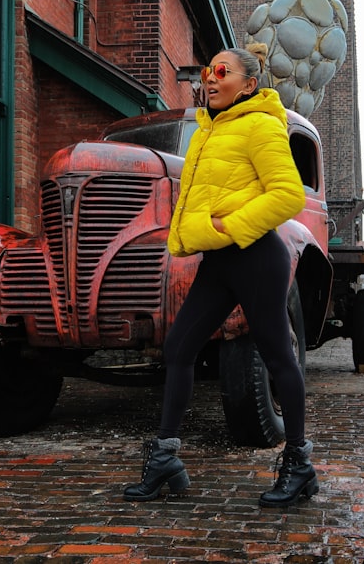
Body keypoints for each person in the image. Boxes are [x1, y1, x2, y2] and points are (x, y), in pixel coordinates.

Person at [123, 43, 318, 507]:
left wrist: (231, 227)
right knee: (179, 348)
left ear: (249, 84)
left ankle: (299, 465)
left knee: (277, 356)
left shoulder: (260, 126)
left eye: (222, 72)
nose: (210, 79)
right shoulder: (208, 131)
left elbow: (288, 195)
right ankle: (167, 457)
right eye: (209, 71)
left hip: (256, 256)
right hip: (220, 262)